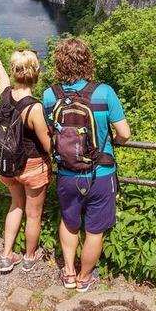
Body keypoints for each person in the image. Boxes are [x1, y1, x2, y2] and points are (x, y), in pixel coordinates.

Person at [43, 38, 131, 292]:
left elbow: (51, 133)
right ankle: (85, 277)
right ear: (87, 61)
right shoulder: (104, 92)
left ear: (59, 63)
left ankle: (69, 273)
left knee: (69, 222)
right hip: (100, 173)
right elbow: (124, 133)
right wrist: (112, 140)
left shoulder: (50, 95)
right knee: (94, 230)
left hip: (67, 173)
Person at [0, 49, 52, 273]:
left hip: (7, 164)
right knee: (33, 214)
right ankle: (29, 257)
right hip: (32, 165)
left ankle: (7, 257)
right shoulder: (34, 108)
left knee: (16, 205)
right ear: (36, 73)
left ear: (16, 72)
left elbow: (3, 82)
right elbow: (48, 145)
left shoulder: (6, 96)